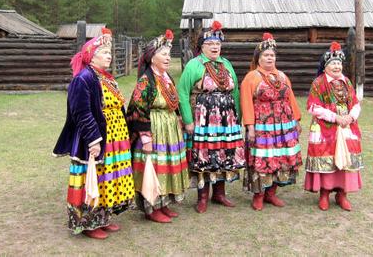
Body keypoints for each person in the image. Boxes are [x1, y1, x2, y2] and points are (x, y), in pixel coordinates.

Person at [53, 28, 134, 239]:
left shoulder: (105, 77)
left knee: (106, 178)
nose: (109, 56)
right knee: (93, 178)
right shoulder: (84, 79)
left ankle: (103, 218)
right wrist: (93, 140)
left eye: (110, 52)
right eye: (105, 52)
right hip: (95, 139)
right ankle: (88, 223)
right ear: (92, 55)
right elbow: (81, 112)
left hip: (114, 138)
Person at [177, 20, 245, 213]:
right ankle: (203, 196)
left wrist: (236, 117)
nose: (215, 47)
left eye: (217, 44)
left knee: (223, 153)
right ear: (201, 46)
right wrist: (188, 121)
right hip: (204, 120)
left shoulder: (226, 64)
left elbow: (235, 92)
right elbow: (182, 92)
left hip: (226, 120)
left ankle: (220, 194)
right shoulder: (194, 65)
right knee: (205, 155)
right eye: (210, 44)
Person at [126, 30, 189, 223]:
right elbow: (137, 109)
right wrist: (145, 138)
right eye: (163, 54)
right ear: (152, 58)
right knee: (153, 166)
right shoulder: (146, 81)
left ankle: (164, 203)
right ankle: (151, 207)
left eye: (169, 54)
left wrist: (178, 118)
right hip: (154, 130)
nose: (168, 58)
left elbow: (174, 101)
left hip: (169, 129)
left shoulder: (166, 77)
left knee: (167, 165)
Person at [240, 33, 303, 211]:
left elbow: (290, 98)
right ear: (258, 58)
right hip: (263, 125)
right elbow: (246, 102)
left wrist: (296, 120)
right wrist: (250, 127)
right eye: (266, 55)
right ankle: (259, 195)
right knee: (263, 158)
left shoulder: (282, 76)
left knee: (280, 156)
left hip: (284, 125)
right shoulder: (251, 77)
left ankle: (271, 193)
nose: (269, 58)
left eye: (272, 55)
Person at [304, 41, 363, 211]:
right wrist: (335, 117)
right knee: (326, 158)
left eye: (339, 64)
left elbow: (355, 103)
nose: (337, 67)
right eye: (333, 64)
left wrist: (351, 116)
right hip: (325, 128)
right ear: (325, 67)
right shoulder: (319, 83)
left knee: (346, 159)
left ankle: (342, 194)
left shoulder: (347, 83)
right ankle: (324, 193)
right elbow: (312, 106)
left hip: (347, 126)